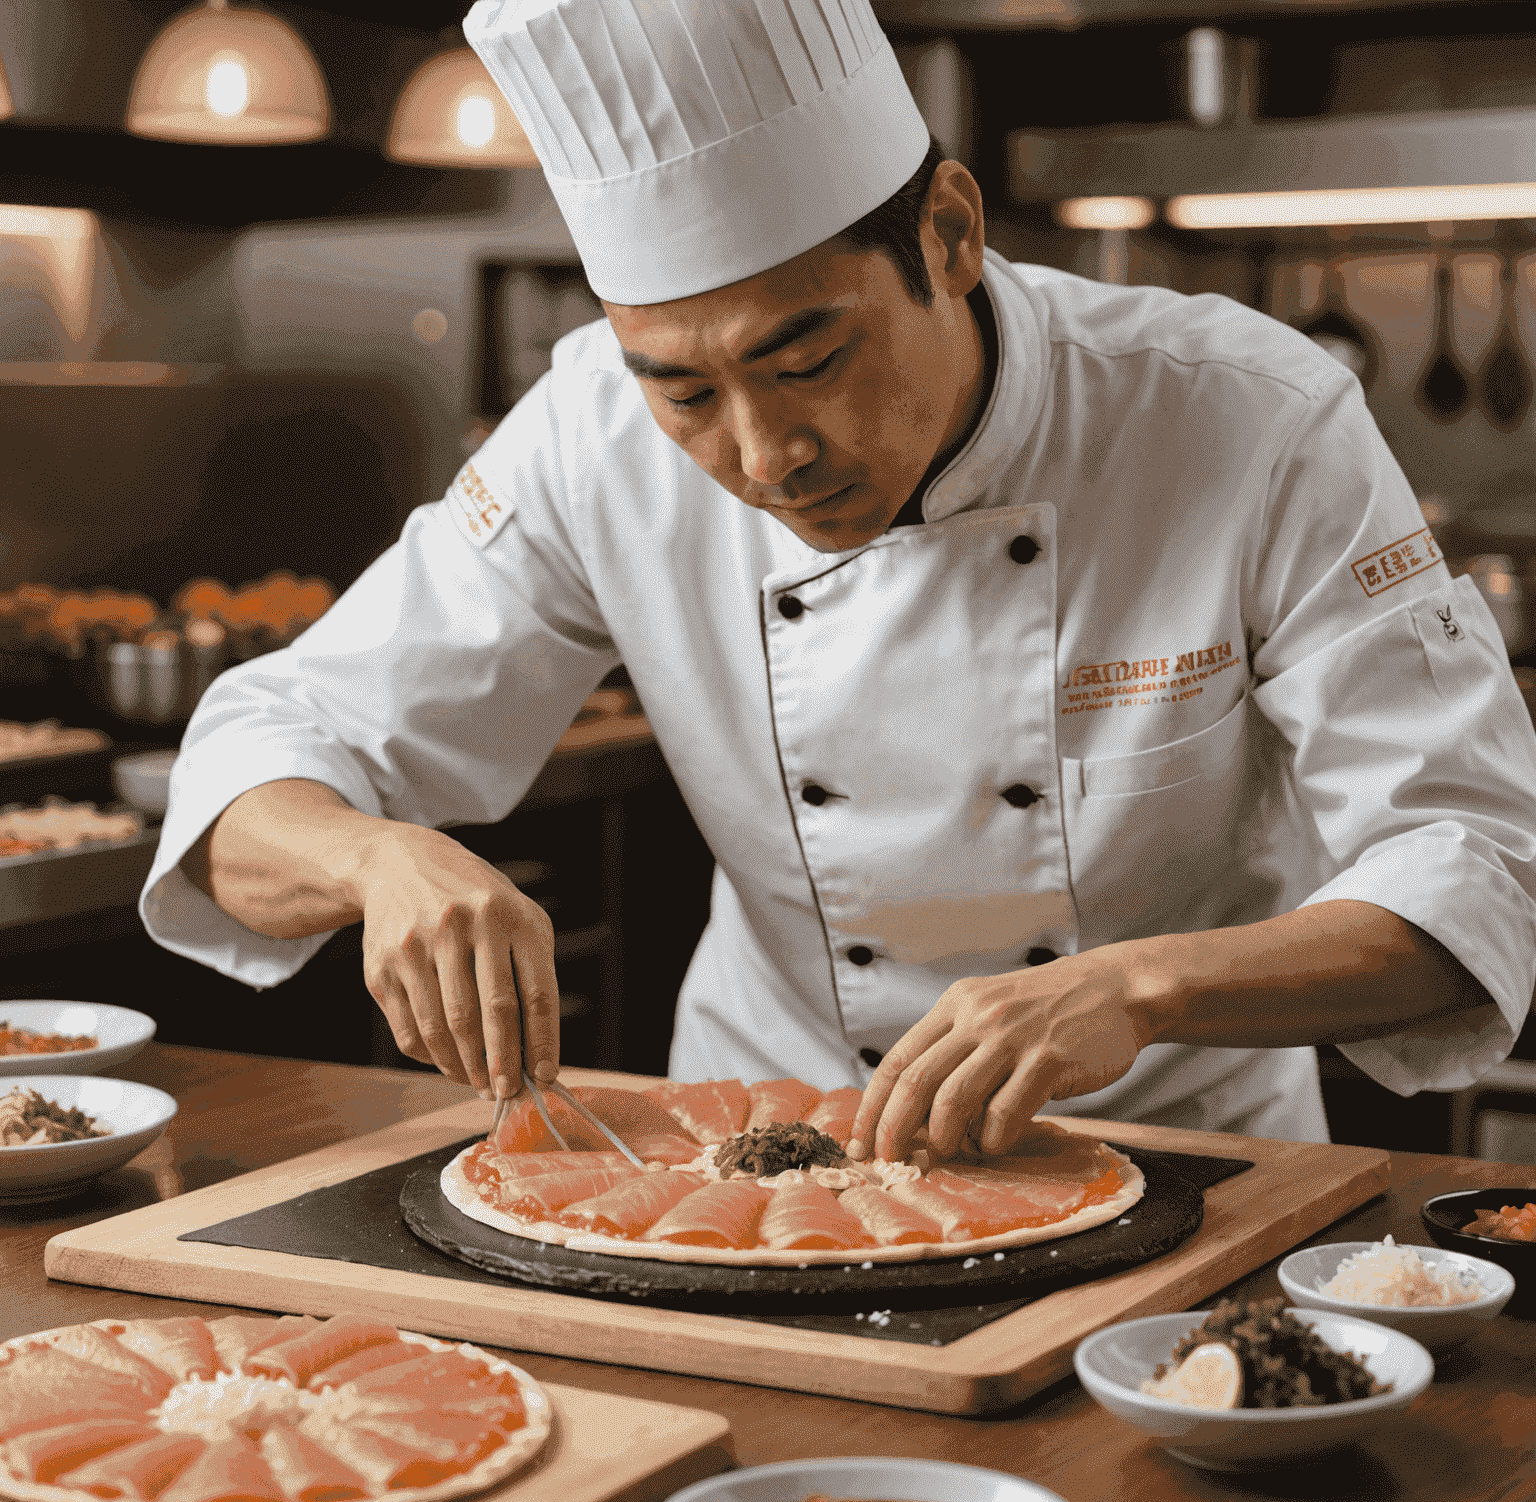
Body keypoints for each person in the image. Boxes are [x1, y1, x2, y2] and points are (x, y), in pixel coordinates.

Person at [143, 0, 1536, 1164]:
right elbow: (257, 760)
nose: (762, 453)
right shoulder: (588, 433)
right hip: (757, 1159)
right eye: (684, 389)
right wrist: (377, 856)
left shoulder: (1245, 417)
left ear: (948, 233)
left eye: (807, 360)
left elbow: (1473, 869)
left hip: (1184, 1156)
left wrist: (1137, 984)